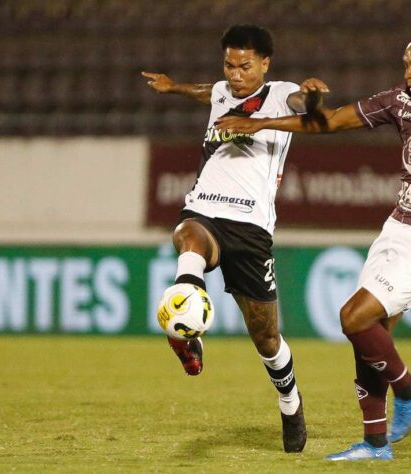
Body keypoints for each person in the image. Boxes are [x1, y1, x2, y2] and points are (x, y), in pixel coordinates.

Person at [217, 32, 411, 461]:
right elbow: (332, 121)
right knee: (368, 337)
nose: (408, 73)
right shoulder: (399, 102)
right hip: (397, 229)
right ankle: (376, 444)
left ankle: (410, 390)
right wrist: (262, 122)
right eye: (405, 64)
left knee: (353, 317)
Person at [142, 24, 322, 453]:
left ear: (265, 64)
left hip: (251, 226)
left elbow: (305, 106)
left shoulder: (281, 93)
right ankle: (188, 322)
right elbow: (210, 91)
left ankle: (289, 402)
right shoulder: (224, 90)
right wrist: (172, 89)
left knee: (267, 338)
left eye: (245, 66)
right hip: (206, 205)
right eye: (229, 64)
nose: (236, 74)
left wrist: (313, 95)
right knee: (187, 234)